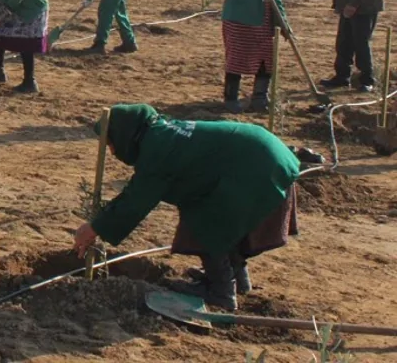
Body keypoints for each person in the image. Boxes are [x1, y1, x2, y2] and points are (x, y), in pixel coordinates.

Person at [73, 104, 300, 312]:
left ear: (124, 134)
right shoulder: (160, 134)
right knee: (210, 209)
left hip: (258, 168)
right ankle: (235, 280)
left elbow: (135, 200)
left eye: (111, 144)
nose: (112, 152)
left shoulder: (158, 148)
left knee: (206, 217)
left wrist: (94, 227)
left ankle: (221, 292)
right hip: (264, 156)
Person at [220, 0, 290, 113]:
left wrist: (283, 23)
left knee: (266, 59)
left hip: (264, 20)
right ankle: (231, 98)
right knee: (237, 58)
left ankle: (259, 98)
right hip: (239, 19)